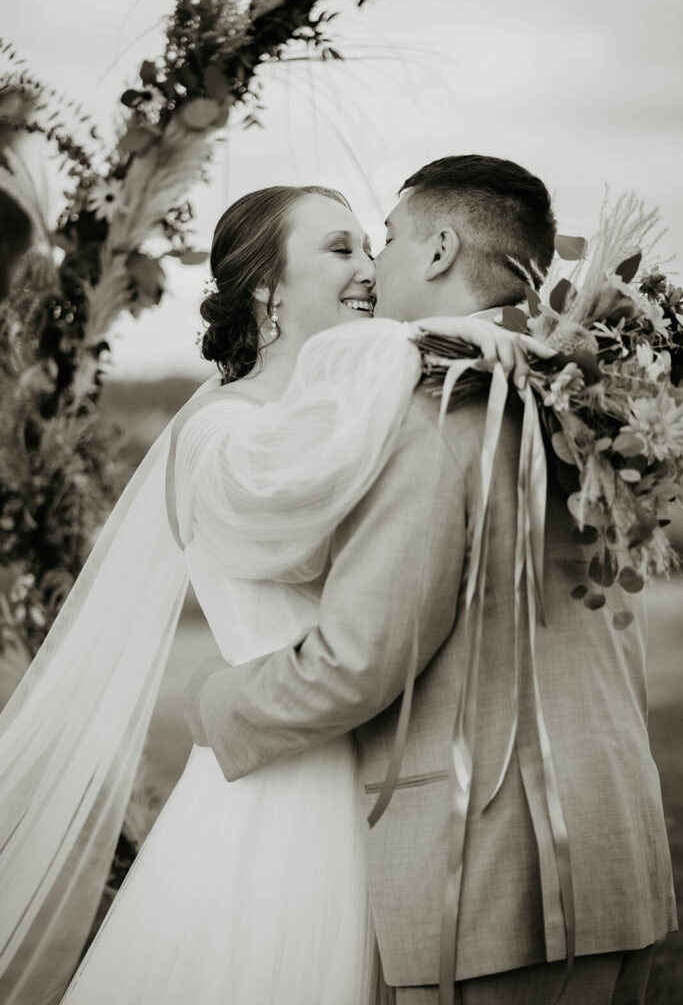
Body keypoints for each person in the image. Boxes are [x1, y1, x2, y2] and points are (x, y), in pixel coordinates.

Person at [0, 180, 538, 1005]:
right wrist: (417, 340)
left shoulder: (365, 403)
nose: (368, 267)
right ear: (265, 286)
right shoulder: (223, 429)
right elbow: (295, 507)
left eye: (368, 244)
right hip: (287, 793)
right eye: (338, 248)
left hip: (398, 786)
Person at [186, 157, 677, 1004]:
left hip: (503, 881)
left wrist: (213, 702)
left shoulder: (430, 415)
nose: (372, 270)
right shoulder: (570, 395)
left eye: (381, 240)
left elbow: (360, 658)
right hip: (618, 849)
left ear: (441, 247)